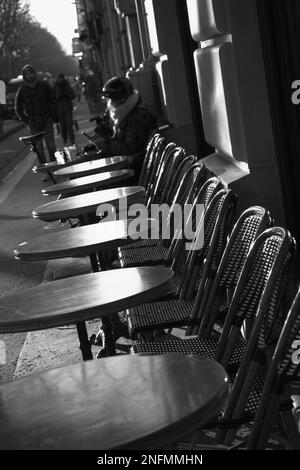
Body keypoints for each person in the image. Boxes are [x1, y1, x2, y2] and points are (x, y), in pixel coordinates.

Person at [92, 75, 157, 179]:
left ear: (123, 98)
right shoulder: (125, 112)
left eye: (113, 99)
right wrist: (107, 131)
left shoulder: (138, 116)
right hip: (127, 168)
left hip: (135, 172)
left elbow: (128, 148)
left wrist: (105, 142)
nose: (111, 103)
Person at [15, 64, 57, 164]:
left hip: (46, 120)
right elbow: (18, 108)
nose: (29, 76)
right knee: (39, 149)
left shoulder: (44, 85)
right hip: (33, 123)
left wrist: (52, 115)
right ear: (24, 76)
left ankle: (54, 166)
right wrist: (26, 120)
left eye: (31, 73)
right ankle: (45, 171)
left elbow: (53, 101)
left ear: (34, 74)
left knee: (51, 146)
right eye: (27, 74)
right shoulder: (22, 90)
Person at [54, 73, 76, 146]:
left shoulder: (67, 85)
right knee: (63, 126)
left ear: (63, 78)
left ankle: (72, 140)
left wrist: (67, 95)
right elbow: (52, 98)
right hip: (60, 109)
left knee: (69, 125)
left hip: (67, 108)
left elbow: (73, 95)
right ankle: (65, 140)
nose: (60, 80)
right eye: (59, 78)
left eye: (61, 78)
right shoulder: (55, 87)